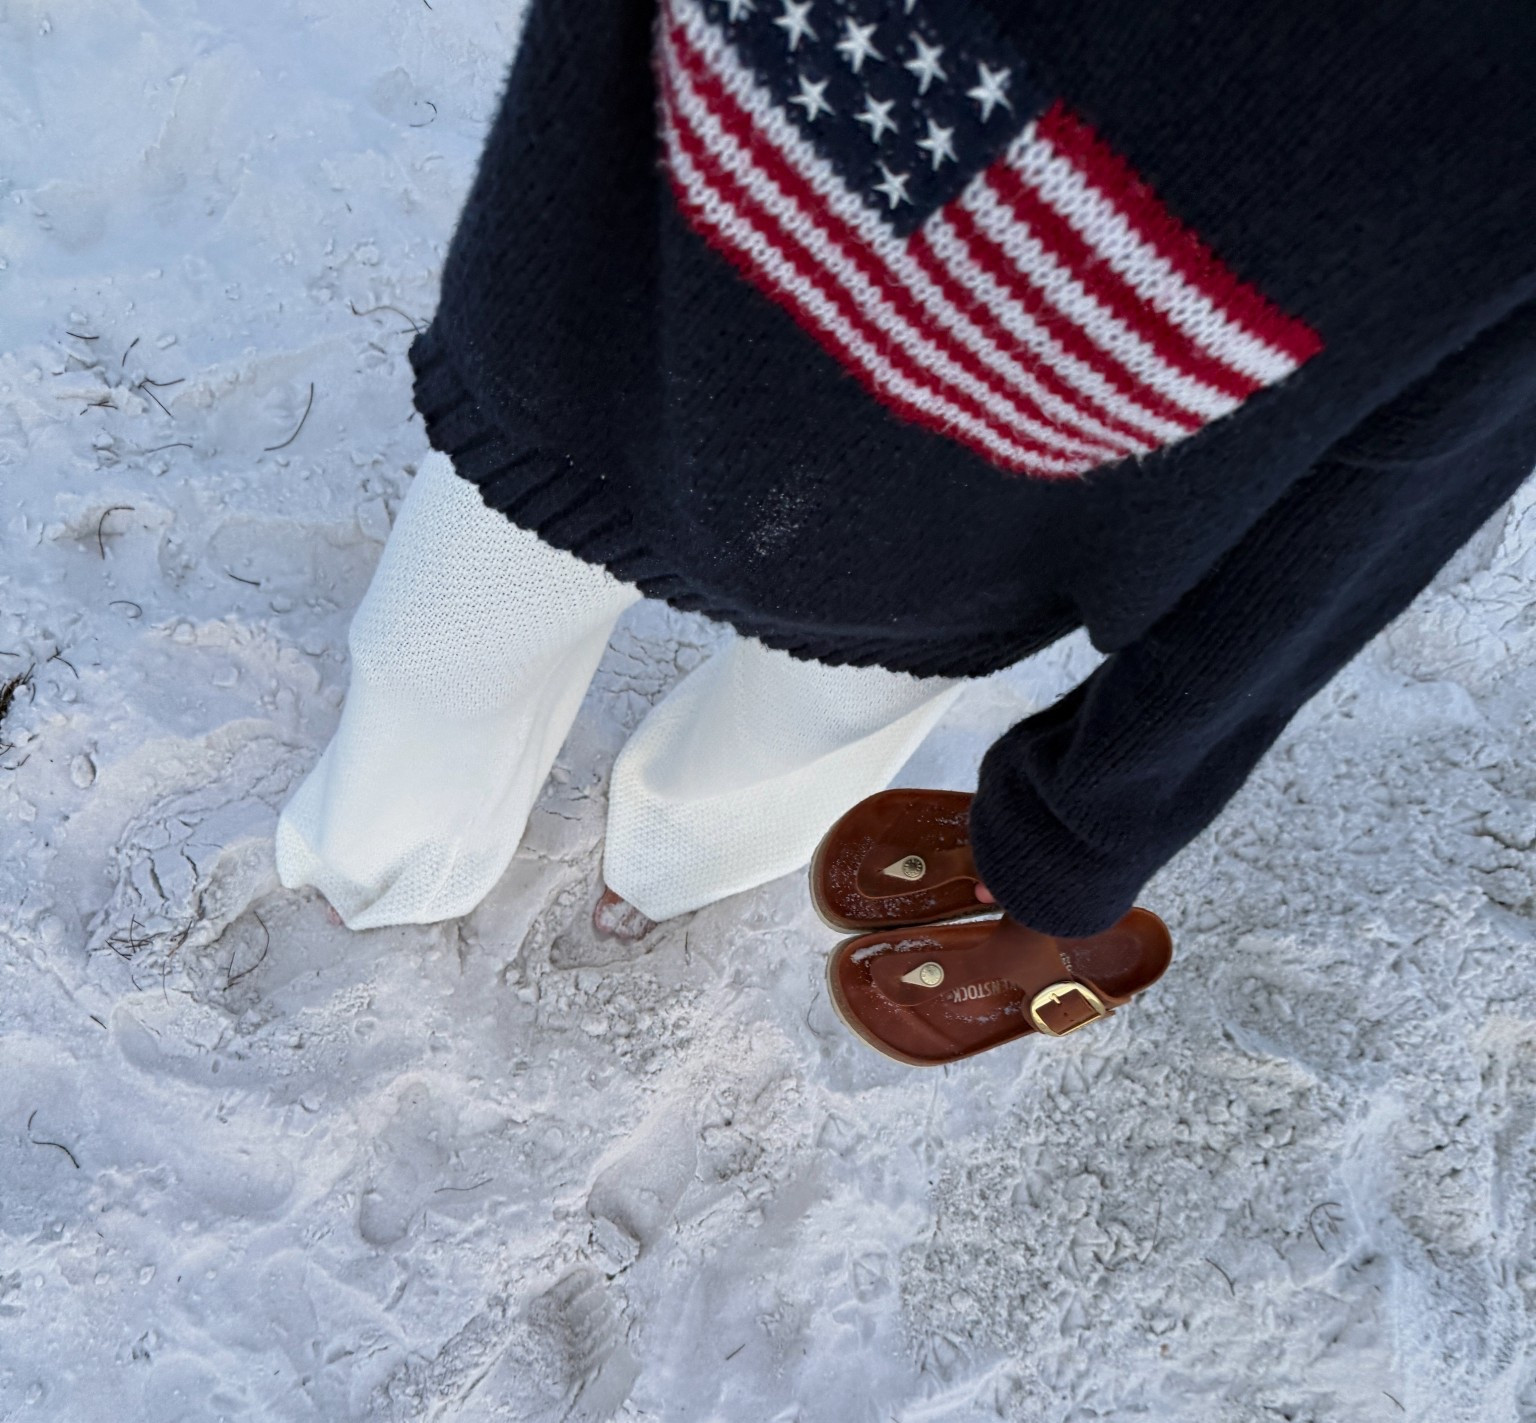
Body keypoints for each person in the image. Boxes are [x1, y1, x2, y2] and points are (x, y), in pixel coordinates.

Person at [276, 0, 1536, 952]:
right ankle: (415, 871)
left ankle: (633, 871)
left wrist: (1095, 824)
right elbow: (1380, 498)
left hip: (909, 503)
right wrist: (1091, 829)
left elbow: (1394, 472)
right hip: (642, 341)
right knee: (458, 659)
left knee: (543, 682)